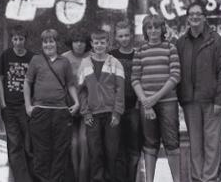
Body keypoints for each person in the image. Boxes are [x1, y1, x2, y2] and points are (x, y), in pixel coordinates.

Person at [176, 2, 221, 182]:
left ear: (204, 17)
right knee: (195, 144)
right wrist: (181, 98)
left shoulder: (216, 40)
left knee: (212, 143)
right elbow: (177, 72)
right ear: (187, 18)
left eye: (199, 13)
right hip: (190, 102)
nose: (195, 17)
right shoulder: (181, 42)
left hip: (211, 101)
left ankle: (210, 178)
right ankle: (197, 178)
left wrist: (220, 101)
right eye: (191, 14)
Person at [24, 28, 80, 182]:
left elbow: (70, 85)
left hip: (61, 112)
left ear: (57, 43)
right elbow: (27, 84)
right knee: (41, 152)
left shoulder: (64, 62)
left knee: (60, 152)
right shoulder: (36, 60)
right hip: (41, 111)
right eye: (45, 42)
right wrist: (28, 106)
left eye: (51, 41)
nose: (48, 44)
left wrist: (77, 102)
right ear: (42, 44)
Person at [131, 15, 181, 182]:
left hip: (168, 103)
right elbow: (135, 79)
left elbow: (175, 76)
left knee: (172, 143)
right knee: (150, 144)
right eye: (149, 28)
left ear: (162, 29)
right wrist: (146, 102)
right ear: (145, 30)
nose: (153, 31)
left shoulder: (170, 48)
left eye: (156, 27)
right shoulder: (140, 51)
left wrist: (155, 98)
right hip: (147, 105)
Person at [77, 30, 125, 182]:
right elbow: (81, 90)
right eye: (96, 43)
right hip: (93, 116)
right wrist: (85, 112)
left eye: (102, 42)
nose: (99, 45)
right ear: (91, 44)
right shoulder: (85, 64)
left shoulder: (115, 63)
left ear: (107, 44)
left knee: (112, 152)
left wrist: (117, 112)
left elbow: (120, 89)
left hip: (111, 114)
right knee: (95, 152)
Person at [0, 25, 35, 182]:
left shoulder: (32, 57)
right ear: (12, 40)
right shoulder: (6, 56)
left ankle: (32, 176)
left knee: (29, 143)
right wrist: (3, 103)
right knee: (14, 144)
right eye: (15, 39)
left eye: (21, 39)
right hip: (10, 107)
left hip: (25, 107)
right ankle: (21, 179)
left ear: (25, 40)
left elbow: (36, 81)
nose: (18, 42)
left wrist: (30, 104)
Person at [110, 21, 142, 182]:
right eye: (120, 36)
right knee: (118, 148)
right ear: (116, 37)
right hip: (116, 109)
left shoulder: (138, 54)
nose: (124, 38)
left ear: (132, 35)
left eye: (126, 35)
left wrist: (140, 103)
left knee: (134, 149)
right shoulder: (111, 56)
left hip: (135, 107)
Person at [62, 28, 91, 182]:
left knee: (84, 142)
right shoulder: (63, 59)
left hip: (87, 108)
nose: (79, 45)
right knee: (72, 144)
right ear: (71, 43)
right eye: (76, 41)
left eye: (82, 42)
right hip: (69, 109)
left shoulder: (92, 57)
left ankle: (83, 178)